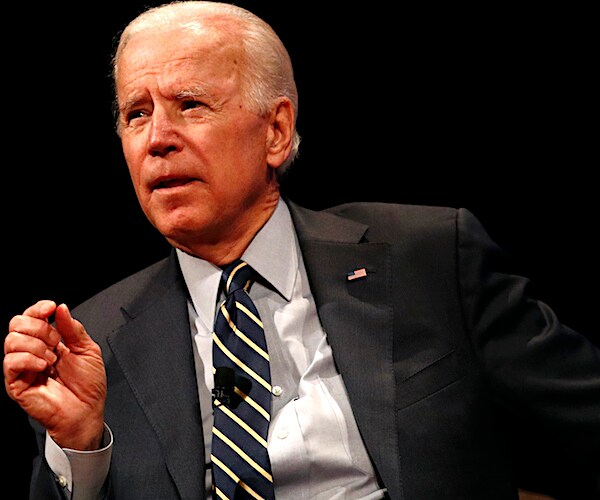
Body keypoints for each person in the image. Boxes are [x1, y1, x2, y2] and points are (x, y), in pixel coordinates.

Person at [3, 1, 599, 499]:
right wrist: (79, 447)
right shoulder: (95, 341)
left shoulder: (429, 259)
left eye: (190, 105)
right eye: (136, 114)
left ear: (276, 131)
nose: (158, 138)